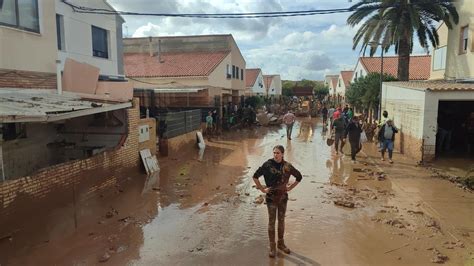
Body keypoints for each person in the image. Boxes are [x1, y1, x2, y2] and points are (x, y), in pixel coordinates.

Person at [252, 145, 302, 258]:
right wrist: (262, 189)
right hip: (271, 198)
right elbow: (255, 176)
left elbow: (299, 177)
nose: (276, 154)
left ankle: (281, 243)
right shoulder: (267, 165)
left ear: (283, 154)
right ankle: (272, 247)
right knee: (271, 222)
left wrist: (290, 188)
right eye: (274, 152)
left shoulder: (287, 166)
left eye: (278, 153)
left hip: (283, 198)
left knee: (281, 220)